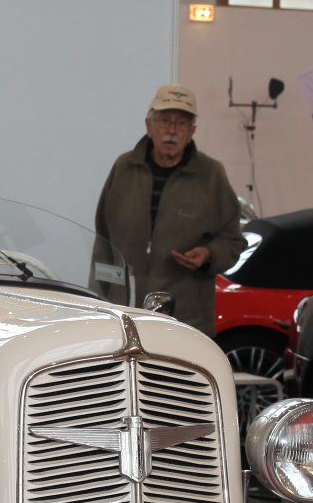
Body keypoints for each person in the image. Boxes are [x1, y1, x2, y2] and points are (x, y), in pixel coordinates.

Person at [94, 84, 245, 335]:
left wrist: (209, 254)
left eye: (181, 123)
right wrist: (98, 302)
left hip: (185, 319)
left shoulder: (211, 175)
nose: (172, 131)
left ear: (192, 131)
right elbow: (103, 239)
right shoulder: (124, 168)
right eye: (165, 121)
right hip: (123, 314)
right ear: (149, 125)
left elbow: (233, 241)